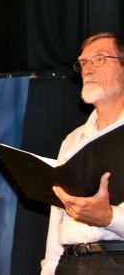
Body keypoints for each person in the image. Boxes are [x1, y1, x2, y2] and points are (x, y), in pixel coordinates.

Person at [41, 32, 124, 275]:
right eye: (83, 62)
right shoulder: (73, 140)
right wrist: (49, 269)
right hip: (69, 263)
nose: (87, 69)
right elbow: (57, 219)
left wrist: (109, 218)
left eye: (99, 59)